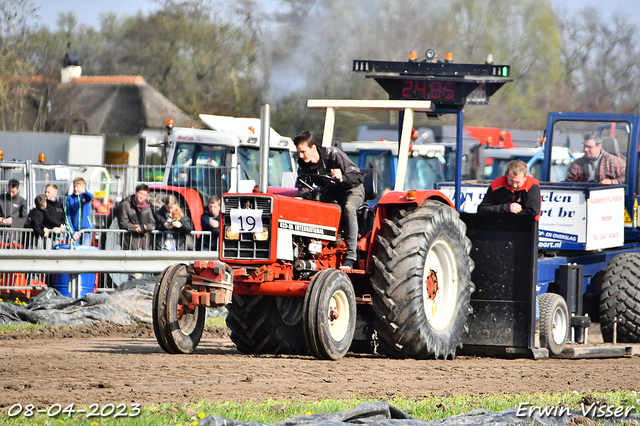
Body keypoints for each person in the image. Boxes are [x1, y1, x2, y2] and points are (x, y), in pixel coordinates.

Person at [294, 130, 365, 269]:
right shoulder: (304, 164)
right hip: (330, 192)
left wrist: (343, 177)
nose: (301, 156)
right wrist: (302, 200)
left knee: (349, 207)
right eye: (299, 153)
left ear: (313, 148)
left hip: (352, 189)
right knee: (311, 205)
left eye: (303, 152)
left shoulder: (334, 154)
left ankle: (351, 256)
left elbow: (358, 176)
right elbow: (303, 188)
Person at [117, 183, 156, 250]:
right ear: (136, 192)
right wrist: (136, 228)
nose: (142, 196)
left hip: (144, 244)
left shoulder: (147, 207)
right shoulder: (125, 205)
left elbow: (152, 223)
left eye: (144, 195)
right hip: (130, 243)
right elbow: (123, 223)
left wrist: (143, 228)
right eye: (141, 193)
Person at [65, 177, 93, 245]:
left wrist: (84, 191)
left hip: (86, 230)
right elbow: (67, 216)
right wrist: (72, 232)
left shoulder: (86, 197)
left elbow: (91, 196)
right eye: (74, 186)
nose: (76, 189)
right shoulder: (69, 198)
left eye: (78, 186)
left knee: (86, 252)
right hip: (75, 231)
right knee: (74, 253)